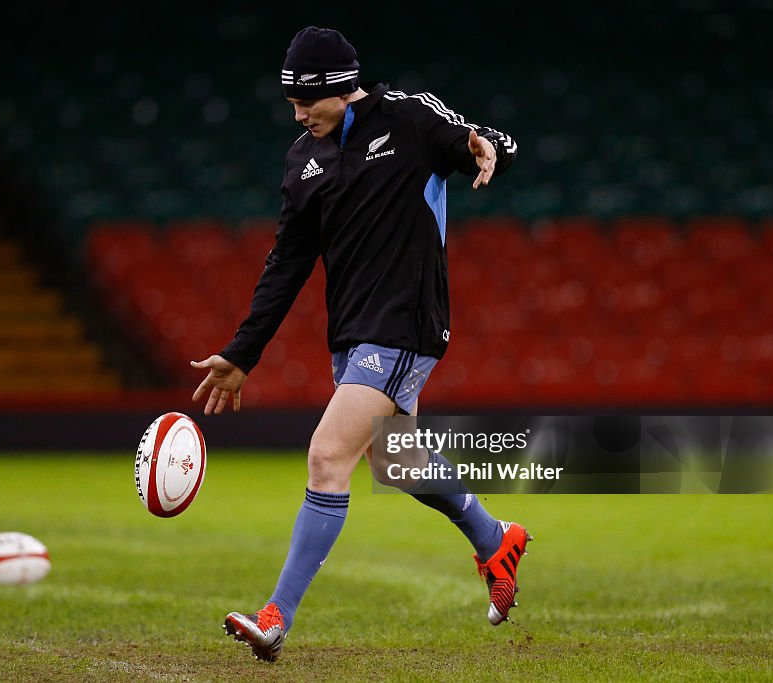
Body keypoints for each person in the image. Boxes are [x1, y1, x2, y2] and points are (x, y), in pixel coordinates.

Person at [191, 26, 529, 663]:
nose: (296, 113)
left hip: (406, 323)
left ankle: (275, 618)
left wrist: (490, 149)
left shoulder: (408, 117)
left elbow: (480, 142)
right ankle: (495, 538)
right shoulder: (304, 162)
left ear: (339, 89)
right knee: (394, 466)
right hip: (352, 332)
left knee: (327, 457)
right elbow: (286, 264)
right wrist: (242, 353)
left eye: (304, 100)